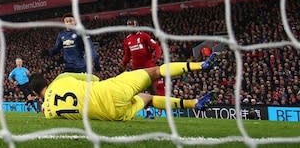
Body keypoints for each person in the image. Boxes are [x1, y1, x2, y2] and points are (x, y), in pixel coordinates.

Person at [29, 53, 219, 121]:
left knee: (148, 99)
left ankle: (194, 103)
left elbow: (46, 109)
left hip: (112, 115)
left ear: (37, 94)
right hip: (111, 90)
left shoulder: (49, 112)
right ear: (47, 80)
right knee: (155, 72)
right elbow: (92, 78)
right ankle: (200, 65)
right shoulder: (61, 78)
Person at [121, 18, 163, 118]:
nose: (131, 28)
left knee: (152, 89)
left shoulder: (144, 36)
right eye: (129, 26)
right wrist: (123, 65)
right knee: (139, 90)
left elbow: (156, 47)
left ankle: (159, 108)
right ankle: (148, 112)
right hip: (137, 69)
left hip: (148, 66)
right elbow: (127, 56)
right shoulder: (127, 40)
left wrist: (157, 58)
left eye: (133, 26)